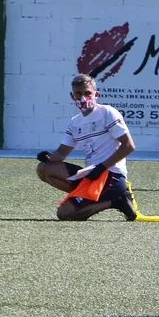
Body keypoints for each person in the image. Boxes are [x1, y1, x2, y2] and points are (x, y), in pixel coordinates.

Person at [35, 74, 138, 221]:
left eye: (88, 93)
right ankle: (85, 198)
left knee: (64, 214)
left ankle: (117, 200)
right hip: (91, 175)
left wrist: (102, 167)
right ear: (72, 96)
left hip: (111, 175)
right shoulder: (75, 122)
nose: (83, 97)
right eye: (78, 93)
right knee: (44, 168)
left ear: (96, 94)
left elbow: (128, 146)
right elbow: (61, 153)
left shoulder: (107, 113)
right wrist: (47, 157)